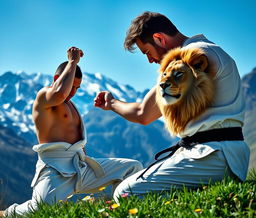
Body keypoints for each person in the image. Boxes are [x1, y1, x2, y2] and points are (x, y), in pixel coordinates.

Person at [94, 11, 250, 200]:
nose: (150, 60)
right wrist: (112, 103)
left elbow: (143, 113)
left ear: (159, 38)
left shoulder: (188, 57)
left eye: (147, 52)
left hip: (212, 156)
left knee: (125, 193)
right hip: (227, 155)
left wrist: (111, 103)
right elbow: (145, 111)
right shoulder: (210, 49)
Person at [0, 47, 142, 217]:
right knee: (41, 210)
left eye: (77, 88)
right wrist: (72, 61)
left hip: (81, 166)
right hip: (55, 168)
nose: (73, 92)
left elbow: (76, 139)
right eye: (71, 86)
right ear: (56, 79)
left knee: (132, 168)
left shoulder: (71, 105)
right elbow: (60, 93)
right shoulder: (44, 97)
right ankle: (5, 215)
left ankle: (119, 212)